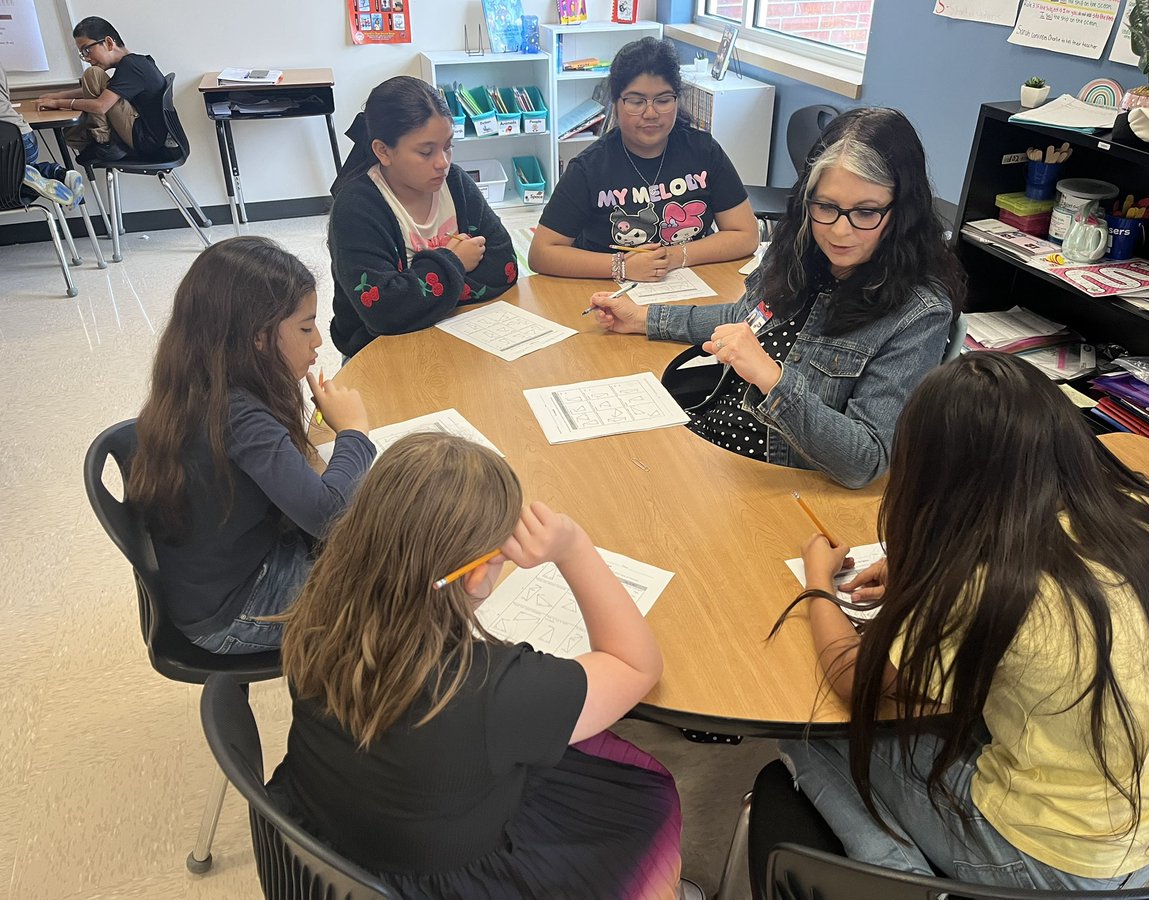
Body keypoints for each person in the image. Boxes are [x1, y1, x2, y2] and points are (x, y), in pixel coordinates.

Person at [775, 351, 1149, 891]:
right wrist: (919, 567)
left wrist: (817, 583)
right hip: (1143, 835)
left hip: (1046, 862)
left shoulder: (988, 582)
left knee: (809, 728)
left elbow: (854, 679)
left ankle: (902, 881)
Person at [268, 432, 695, 899]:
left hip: (319, 849)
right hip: (439, 880)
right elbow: (636, 665)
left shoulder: (315, 614)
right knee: (646, 798)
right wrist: (574, 546)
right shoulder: (492, 689)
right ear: (475, 576)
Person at [589, 107, 964, 488]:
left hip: (772, 484)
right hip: (710, 445)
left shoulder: (919, 313)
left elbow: (866, 459)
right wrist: (644, 318)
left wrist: (771, 377)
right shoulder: (801, 252)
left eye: (866, 213)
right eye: (826, 207)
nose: (839, 232)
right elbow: (744, 319)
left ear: (902, 211)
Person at [127, 237, 375, 654]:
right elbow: (327, 514)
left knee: (382, 538)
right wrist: (354, 432)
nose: (317, 341)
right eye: (305, 327)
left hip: (224, 572)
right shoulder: (237, 415)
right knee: (400, 596)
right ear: (258, 337)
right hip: (234, 607)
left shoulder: (200, 381)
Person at [529, 37, 758, 283]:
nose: (650, 113)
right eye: (636, 102)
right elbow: (542, 253)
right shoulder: (589, 169)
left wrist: (674, 256)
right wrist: (621, 267)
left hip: (692, 283)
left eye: (663, 100)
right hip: (609, 290)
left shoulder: (704, 151)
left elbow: (746, 234)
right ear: (615, 104)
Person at [328, 76, 518, 359]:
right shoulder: (356, 208)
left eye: (448, 146)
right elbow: (384, 313)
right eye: (426, 152)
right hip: (379, 354)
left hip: (464, 336)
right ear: (383, 151)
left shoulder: (455, 183)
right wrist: (455, 261)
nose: (443, 162)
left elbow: (505, 267)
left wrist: (418, 293)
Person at [34, 17, 168, 164]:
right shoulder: (135, 63)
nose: (86, 58)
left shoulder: (131, 65)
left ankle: (105, 144)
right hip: (147, 137)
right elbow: (105, 91)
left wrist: (58, 103)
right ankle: (107, 144)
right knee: (71, 133)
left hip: (144, 140)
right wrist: (57, 96)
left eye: (87, 50)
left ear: (109, 43)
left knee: (92, 74)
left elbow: (101, 105)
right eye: (82, 54)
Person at [0, 63, 85, 207]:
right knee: (9, 180)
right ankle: (57, 174)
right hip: (22, 139)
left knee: (8, 184)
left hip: (8, 149)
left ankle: (32, 178)